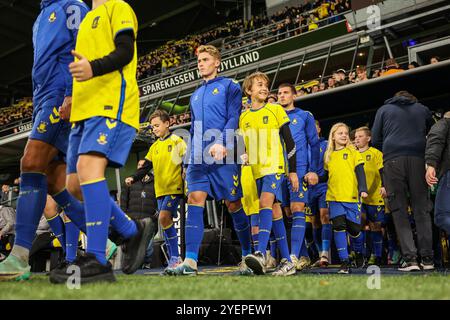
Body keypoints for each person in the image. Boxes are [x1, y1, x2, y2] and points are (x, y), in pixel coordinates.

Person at [49, 0, 153, 284]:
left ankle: (96, 258)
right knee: (73, 185)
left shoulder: (118, 7)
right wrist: (70, 97)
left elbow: (125, 52)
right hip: (83, 110)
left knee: (88, 170)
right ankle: (131, 231)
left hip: (109, 104)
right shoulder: (85, 21)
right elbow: (78, 67)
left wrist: (92, 68)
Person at [0, 0, 89, 281]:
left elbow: (83, 45)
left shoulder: (71, 5)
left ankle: (19, 257)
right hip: (43, 98)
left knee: (30, 162)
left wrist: (73, 92)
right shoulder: (41, 16)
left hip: (60, 94)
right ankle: (111, 237)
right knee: (51, 179)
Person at [167, 45, 252, 276]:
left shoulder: (230, 86)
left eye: (205, 59)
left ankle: (247, 255)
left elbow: (234, 117)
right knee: (195, 199)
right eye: (199, 61)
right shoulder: (195, 94)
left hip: (224, 152)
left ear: (217, 62)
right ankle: (191, 261)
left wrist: (223, 143)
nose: (200, 64)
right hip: (198, 157)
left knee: (233, 203)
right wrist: (187, 161)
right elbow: (194, 129)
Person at [239, 72, 299, 276]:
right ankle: (287, 261)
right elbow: (245, 145)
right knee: (275, 212)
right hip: (256, 171)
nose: (264, 88)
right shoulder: (244, 117)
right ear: (249, 91)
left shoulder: (275, 110)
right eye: (259, 85)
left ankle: (260, 253)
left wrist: (293, 171)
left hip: (274, 167)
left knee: (264, 203)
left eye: (265, 85)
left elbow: (290, 143)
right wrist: (244, 154)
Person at [372, 91, 434, 271]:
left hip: (393, 160)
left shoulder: (384, 109)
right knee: (421, 209)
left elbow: (375, 140)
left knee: (398, 210)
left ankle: (411, 260)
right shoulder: (422, 109)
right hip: (418, 159)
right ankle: (428, 259)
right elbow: (432, 134)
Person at [126, 109, 186, 274]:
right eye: (152, 127)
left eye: (157, 125)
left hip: (175, 188)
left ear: (167, 124)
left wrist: (185, 170)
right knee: (164, 221)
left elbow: (186, 160)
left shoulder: (177, 141)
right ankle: (175, 259)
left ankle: (176, 258)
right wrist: (133, 177)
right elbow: (145, 167)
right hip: (160, 191)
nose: (154, 129)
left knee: (164, 217)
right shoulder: (154, 147)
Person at [313, 123, 368, 274]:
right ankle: (344, 261)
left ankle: (358, 252)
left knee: (354, 229)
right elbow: (325, 175)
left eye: (345, 133)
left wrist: (363, 189)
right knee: (338, 227)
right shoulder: (328, 155)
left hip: (351, 198)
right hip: (333, 197)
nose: (344, 135)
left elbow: (360, 172)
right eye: (340, 133)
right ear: (333, 136)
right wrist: (316, 178)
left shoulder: (353, 152)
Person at [277, 83, 320, 271]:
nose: (282, 96)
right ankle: (303, 255)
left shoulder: (304, 115)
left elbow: (314, 143)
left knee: (297, 208)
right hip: (279, 170)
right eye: (279, 93)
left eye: (286, 93)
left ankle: (292, 257)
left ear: (293, 95)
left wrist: (314, 170)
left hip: (300, 168)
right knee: (286, 212)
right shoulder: (274, 117)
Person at [354, 127, 386, 266]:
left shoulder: (376, 153)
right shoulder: (351, 154)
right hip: (356, 198)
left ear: (368, 138)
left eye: (360, 136)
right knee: (357, 225)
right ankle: (359, 255)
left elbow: (383, 171)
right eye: (355, 136)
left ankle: (377, 255)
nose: (357, 139)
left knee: (375, 226)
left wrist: (384, 186)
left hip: (374, 196)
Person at [309, 120, 331, 267]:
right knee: (314, 221)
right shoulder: (303, 146)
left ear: (319, 129)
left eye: (314, 126)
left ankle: (325, 253)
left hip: (323, 185)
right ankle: (319, 254)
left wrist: (322, 177)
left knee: (325, 216)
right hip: (309, 188)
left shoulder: (327, 144)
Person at [425, 111, 450, 235]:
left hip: (448, 172)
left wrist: (431, 164)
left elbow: (435, 140)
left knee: (441, 216)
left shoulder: (444, 123)